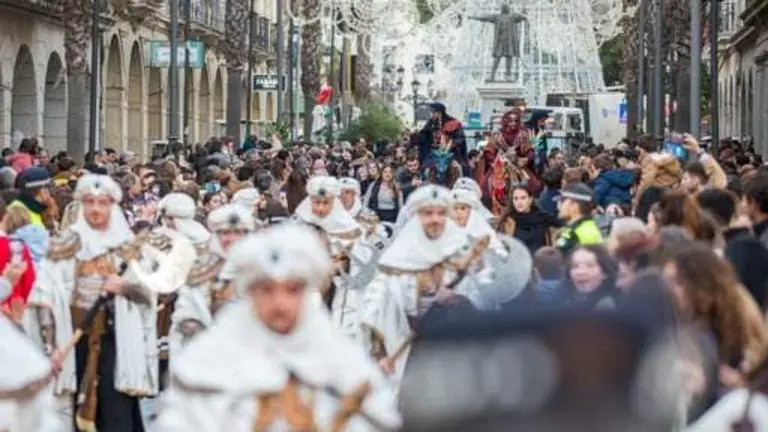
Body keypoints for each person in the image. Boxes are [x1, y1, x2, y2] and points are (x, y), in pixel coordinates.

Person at [155, 224, 401, 431]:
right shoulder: (208, 360)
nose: (279, 303)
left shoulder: (342, 360)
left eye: (292, 290)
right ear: (250, 291)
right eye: (266, 290)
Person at [29, 174, 159, 431]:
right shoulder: (63, 246)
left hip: (116, 341)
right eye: (89, 202)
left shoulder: (127, 247)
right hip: (74, 341)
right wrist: (51, 344)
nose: (96, 209)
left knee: (116, 413)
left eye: (102, 202)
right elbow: (44, 298)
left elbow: (149, 294)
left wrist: (124, 286)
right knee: (73, 412)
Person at [361, 185, 491, 386]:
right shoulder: (397, 256)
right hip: (410, 352)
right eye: (428, 213)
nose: (435, 219)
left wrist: (457, 300)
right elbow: (375, 306)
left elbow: (481, 297)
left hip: (454, 349)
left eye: (441, 213)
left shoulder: (462, 250)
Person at [170, 204, 256, 365]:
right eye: (225, 233)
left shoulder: (261, 270)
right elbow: (185, 310)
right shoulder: (200, 270)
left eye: (238, 232)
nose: (232, 239)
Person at [293, 176, 374, 344]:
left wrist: (342, 264)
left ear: (334, 202)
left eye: (326, 203)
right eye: (316, 202)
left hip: (338, 294)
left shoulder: (350, 229)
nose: (321, 208)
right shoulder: (296, 226)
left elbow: (361, 264)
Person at [554, 183, 603, 253]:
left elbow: (559, 261)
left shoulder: (572, 234)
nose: (559, 205)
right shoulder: (590, 227)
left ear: (574, 206)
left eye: (563, 201)